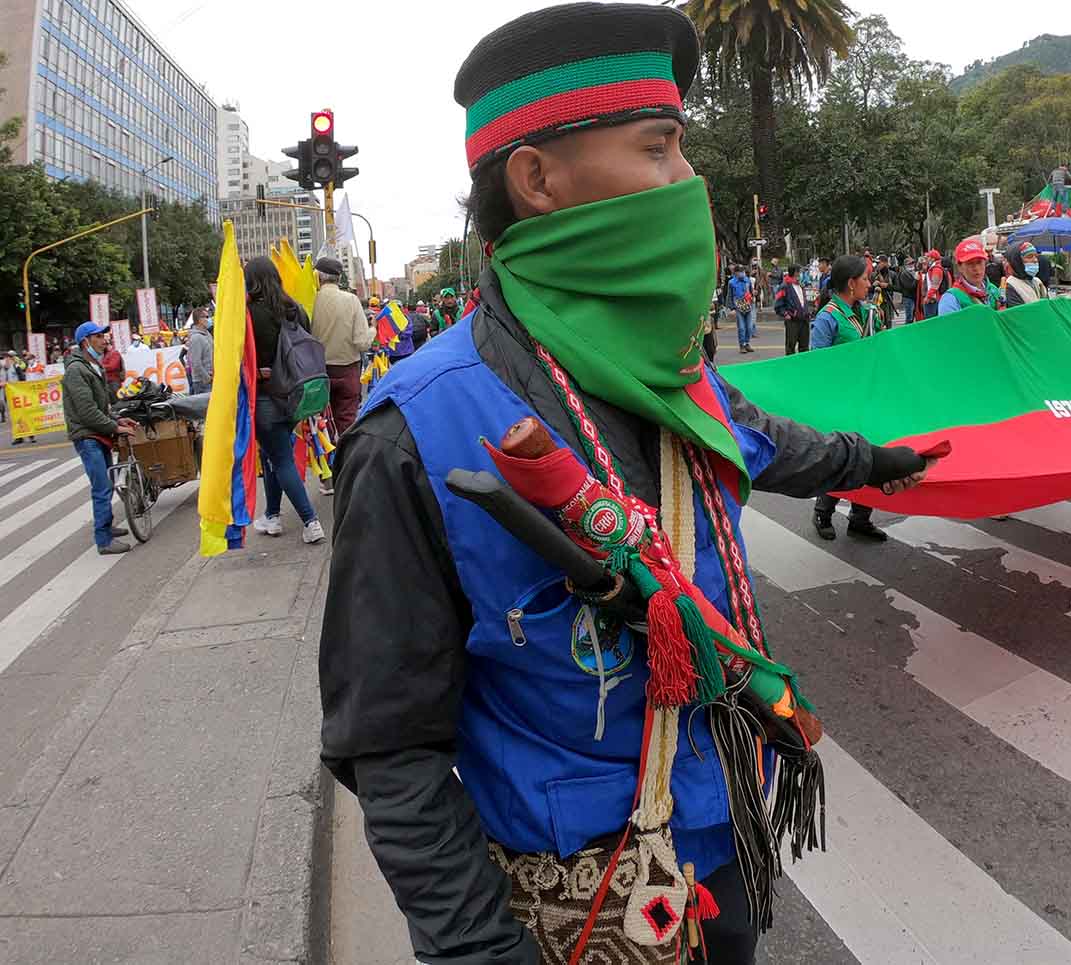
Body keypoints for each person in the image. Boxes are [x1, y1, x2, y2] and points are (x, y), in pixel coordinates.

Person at [319, 7, 933, 962]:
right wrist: (482, 951)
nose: (688, 183)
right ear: (538, 179)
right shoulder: (414, 432)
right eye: (659, 150)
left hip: (722, 833)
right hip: (576, 893)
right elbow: (388, 747)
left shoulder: (672, 372)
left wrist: (876, 461)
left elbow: (763, 440)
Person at [807, 255, 891, 543]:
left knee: (869, 459)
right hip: (842, 402)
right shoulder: (828, 317)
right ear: (851, 283)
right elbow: (817, 365)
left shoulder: (866, 312)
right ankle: (823, 512)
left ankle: (860, 518)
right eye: (866, 279)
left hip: (868, 398)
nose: (870, 284)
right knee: (842, 458)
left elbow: (880, 347)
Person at [245, 256, 326, 543]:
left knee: (279, 458)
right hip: (295, 394)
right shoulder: (294, 309)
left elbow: (241, 358)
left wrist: (258, 371)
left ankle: (310, 521)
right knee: (271, 456)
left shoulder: (249, 314)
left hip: (266, 396)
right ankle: (273, 516)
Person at [63, 321, 136, 555]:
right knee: (102, 487)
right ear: (86, 342)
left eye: (104, 336)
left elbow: (101, 406)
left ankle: (108, 525)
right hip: (88, 436)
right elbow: (87, 412)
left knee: (108, 481)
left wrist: (117, 419)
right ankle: (103, 540)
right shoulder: (77, 370)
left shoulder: (94, 366)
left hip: (98, 433)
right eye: (99, 336)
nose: (105, 340)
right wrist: (115, 428)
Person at [312, 256, 375, 437]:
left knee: (323, 426)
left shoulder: (310, 300)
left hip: (319, 372)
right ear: (339, 278)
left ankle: (329, 463)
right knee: (347, 423)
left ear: (318, 277)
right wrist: (373, 329)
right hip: (348, 370)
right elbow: (362, 343)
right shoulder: (351, 300)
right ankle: (347, 461)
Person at [937, 238, 1003, 314]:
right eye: (970, 263)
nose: (976, 268)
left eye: (979, 262)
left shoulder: (993, 290)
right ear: (959, 267)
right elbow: (949, 325)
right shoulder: (950, 299)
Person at [1002, 241, 1051, 307]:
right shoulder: (1011, 285)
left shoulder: (1037, 281)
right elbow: (1020, 313)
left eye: (1036, 256)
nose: (1035, 260)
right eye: (1029, 256)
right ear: (1017, 261)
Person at [775, 264, 810, 354]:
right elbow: (778, 304)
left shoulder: (800, 286)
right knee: (791, 346)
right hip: (792, 321)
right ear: (794, 273)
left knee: (804, 346)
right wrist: (785, 314)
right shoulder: (784, 286)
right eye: (799, 272)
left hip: (804, 320)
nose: (800, 274)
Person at [187, 306, 214, 396]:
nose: (209, 319)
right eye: (206, 317)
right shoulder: (196, 338)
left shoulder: (207, 335)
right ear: (199, 319)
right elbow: (195, 362)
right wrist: (207, 378)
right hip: (202, 382)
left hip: (210, 379)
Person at [727, 263, 755, 353]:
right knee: (741, 327)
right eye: (740, 271)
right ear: (735, 273)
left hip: (748, 306)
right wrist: (731, 308)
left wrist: (754, 296)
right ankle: (741, 345)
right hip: (738, 307)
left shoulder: (747, 280)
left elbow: (751, 291)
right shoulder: (731, 283)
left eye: (743, 271)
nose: (742, 273)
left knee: (749, 327)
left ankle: (747, 343)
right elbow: (729, 296)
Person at [915, 248, 946, 319]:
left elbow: (935, 286)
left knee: (931, 321)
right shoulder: (935, 268)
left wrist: (927, 297)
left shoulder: (936, 269)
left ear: (932, 258)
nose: (926, 259)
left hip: (932, 300)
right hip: (932, 299)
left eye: (928, 257)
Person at [894, 255, 918, 323]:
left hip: (912, 297)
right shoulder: (904, 274)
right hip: (908, 298)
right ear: (905, 265)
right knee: (909, 317)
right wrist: (916, 280)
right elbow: (909, 286)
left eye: (913, 263)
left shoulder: (912, 272)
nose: (912, 265)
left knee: (912, 316)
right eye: (910, 263)